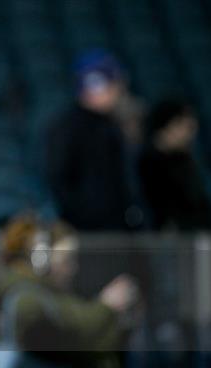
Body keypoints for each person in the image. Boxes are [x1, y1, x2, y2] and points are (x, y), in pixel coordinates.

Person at [0, 216, 140, 368]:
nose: (73, 268)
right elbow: (70, 333)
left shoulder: (54, 297)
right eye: (67, 259)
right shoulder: (26, 298)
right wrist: (106, 306)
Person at [45, 49, 141, 231]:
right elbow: (59, 178)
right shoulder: (67, 127)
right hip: (89, 232)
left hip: (115, 228)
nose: (119, 90)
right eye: (113, 82)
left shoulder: (111, 125)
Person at [139, 99, 211, 230]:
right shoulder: (147, 164)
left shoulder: (185, 161)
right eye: (184, 126)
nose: (191, 133)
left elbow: (201, 209)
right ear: (166, 127)